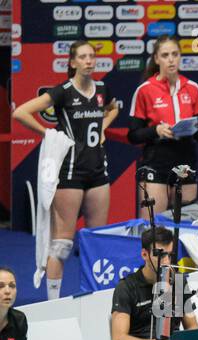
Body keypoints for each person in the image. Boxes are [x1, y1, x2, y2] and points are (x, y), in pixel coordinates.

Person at [13, 40, 118, 300]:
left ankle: (96, 298)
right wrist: (48, 134)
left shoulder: (102, 89)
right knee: (61, 244)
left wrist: (103, 126)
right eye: (82, 57)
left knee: (96, 240)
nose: (88, 61)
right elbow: (21, 113)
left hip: (98, 172)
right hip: (70, 173)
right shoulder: (63, 92)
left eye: (92, 56)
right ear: (72, 63)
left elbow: (113, 108)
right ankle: (54, 302)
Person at [128, 35, 198, 219]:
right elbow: (133, 135)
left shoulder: (193, 88)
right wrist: (155, 130)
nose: (171, 59)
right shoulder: (145, 90)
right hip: (156, 162)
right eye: (165, 55)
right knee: (153, 228)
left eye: (175, 54)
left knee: (185, 228)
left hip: (186, 161)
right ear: (156, 59)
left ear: (180, 56)